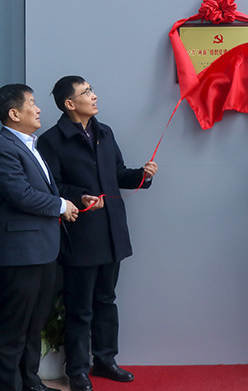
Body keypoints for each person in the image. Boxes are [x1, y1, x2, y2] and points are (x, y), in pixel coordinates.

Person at [37, 76, 158, 391]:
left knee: (107, 300)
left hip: (112, 232)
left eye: (91, 90)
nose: (94, 96)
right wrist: (80, 197)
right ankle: (77, 370)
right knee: (80, 307)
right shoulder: (51, 140)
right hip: (81, 234)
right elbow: (52, 186)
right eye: (86, 92)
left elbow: (117, 174)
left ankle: (105, 360)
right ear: (69, 103)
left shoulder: (105, 132)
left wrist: (142, 176)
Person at [0, 84, 79, 391]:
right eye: (32, 104)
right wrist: (61, 205)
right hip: (18, 255)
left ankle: (30, 382)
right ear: (14, 113)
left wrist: (67, 203)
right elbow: (22, 195)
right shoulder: (1, 148)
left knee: (33, 324)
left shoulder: (28, 145)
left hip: (42, 251)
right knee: (12, 329)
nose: (38, 110)